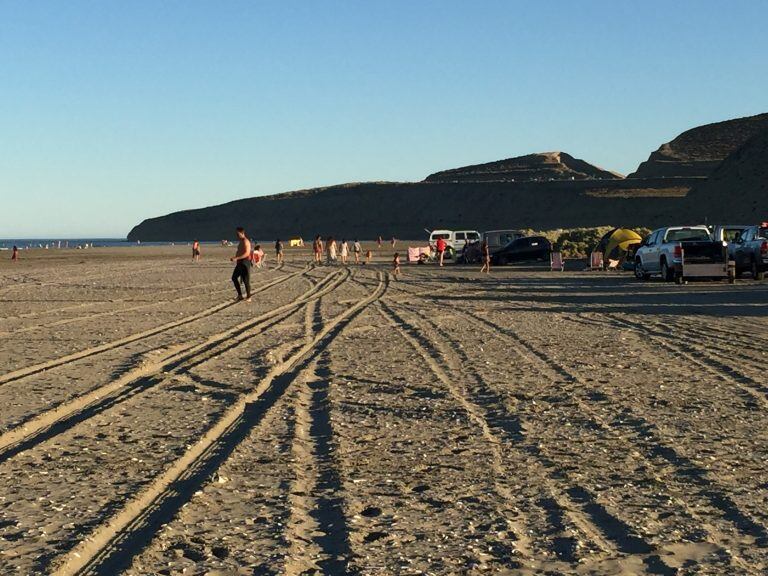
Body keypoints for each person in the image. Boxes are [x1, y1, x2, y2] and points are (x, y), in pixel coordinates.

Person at [230, 227, 252, 302]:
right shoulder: (241, 241)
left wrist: (237, 258)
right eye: (236, 234)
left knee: (246, 280)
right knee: (234, 278)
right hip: (240, 262)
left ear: (242, 233)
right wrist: (236, 258)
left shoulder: (246, 241)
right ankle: (240, 295)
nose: (237, 235)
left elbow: (247, 253)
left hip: (245, 262)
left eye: (238, 234)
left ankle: (249, 297)